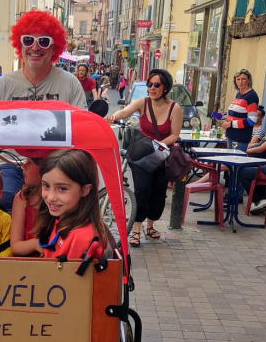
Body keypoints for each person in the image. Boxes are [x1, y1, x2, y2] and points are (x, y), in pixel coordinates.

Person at [108, 68, 183, 247]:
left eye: (156, 85)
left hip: (163, 157)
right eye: (149, 84)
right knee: (142, 190)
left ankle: (150, 226)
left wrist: (159, 146)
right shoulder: (142, 103)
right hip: (142, 156)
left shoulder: (174, 108)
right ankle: (136, 230)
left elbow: (175, 134)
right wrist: (111, 117)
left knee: (158, 193)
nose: (151, 88)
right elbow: (124, 112)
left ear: (165, 88)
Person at [0, 11, 85, 107]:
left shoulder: (71, 85)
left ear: (54, 49)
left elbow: (82, 121)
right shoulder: (2, 86)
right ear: (20, 46)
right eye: (28, 40)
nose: (35, 48)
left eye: (43, 41)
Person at [33, 149, 109, 260]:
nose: (50, 197)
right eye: (46, 185)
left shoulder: (81, 237)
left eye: (62, 188)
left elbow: (69, 276)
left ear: (85, 190)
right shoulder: (62, 220)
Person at [9, 151, 45, 256]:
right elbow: (15, 247)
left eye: (30, 162)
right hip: (28, 265)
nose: (23, 166)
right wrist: (35, 243)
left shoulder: (59, 200)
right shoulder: (23, 198)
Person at [219, 68, 259, 152]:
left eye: (243, 79)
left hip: (240, 137)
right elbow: (236, 114)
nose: (240, 82)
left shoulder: (251, 96)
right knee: (229, 161)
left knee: (235, 162)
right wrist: (222, 116)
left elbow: (252, 120)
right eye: (238, 79)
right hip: (231, 134)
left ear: (249, 80)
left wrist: (231, 124)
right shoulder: (238, 94)